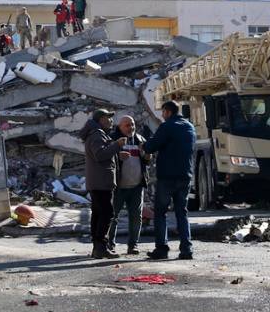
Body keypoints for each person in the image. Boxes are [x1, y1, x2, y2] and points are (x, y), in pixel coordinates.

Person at [142, 100, 197, 260]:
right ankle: (186, 250)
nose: (161, 115)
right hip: (185, 176)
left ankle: (162, 249)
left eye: (163, 112)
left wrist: (144, 146)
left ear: (168, 112)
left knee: (160, 212)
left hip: (167, 177)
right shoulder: (189, 126)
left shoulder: (167, 126)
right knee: (182, 212)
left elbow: (151, 146)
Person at [78, 108, 127, 259]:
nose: (112, 121)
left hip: (99, 181)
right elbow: (100, 155)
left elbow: (102, 153)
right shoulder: (97, 135)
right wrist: (117, 145)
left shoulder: (98, 134)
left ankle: (97, 248)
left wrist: (117, 153)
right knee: (107, 213)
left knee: (99, 214)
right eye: (108, 118)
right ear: (101, 120)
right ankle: (101, 246)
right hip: (101, 182)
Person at [106, 115, 149, 255]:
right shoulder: (113, 139)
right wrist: (117, 157)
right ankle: (109, 245)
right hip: (118, 186)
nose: (131, 127)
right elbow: (104, 157)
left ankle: (133, 245)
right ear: (120, 127)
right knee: (112, 216)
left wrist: (147, 154)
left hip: (137, 185)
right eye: (127, 125)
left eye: (133, 124)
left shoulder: (140, 139)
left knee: (136, 216)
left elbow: (147, 160)